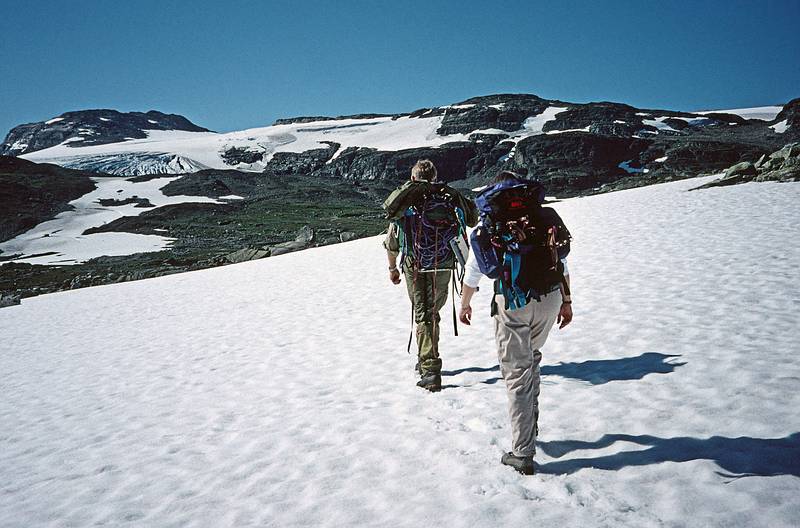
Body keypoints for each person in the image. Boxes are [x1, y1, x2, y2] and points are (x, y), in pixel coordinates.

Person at [459, 171, 573, 474]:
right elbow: (561, 263)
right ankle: (530, 432)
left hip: (511, 303)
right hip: (549, 298)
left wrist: (464, 304)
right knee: (532, 360)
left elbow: (474, 272)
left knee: (517, 374)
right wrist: (567, 301)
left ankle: (522, 452)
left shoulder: (492, 225)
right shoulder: (542, 218)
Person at [383, 159, 478, 392]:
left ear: (413, 178)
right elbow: (472, 219)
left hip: (414, 265)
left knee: (422, 313)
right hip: (444, 263)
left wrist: (392, 268)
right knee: (431, 312)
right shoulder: (447, 197)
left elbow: (393, 240)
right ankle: (427, 357)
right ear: (435, 177)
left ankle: (430, 369)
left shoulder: (408, 202)